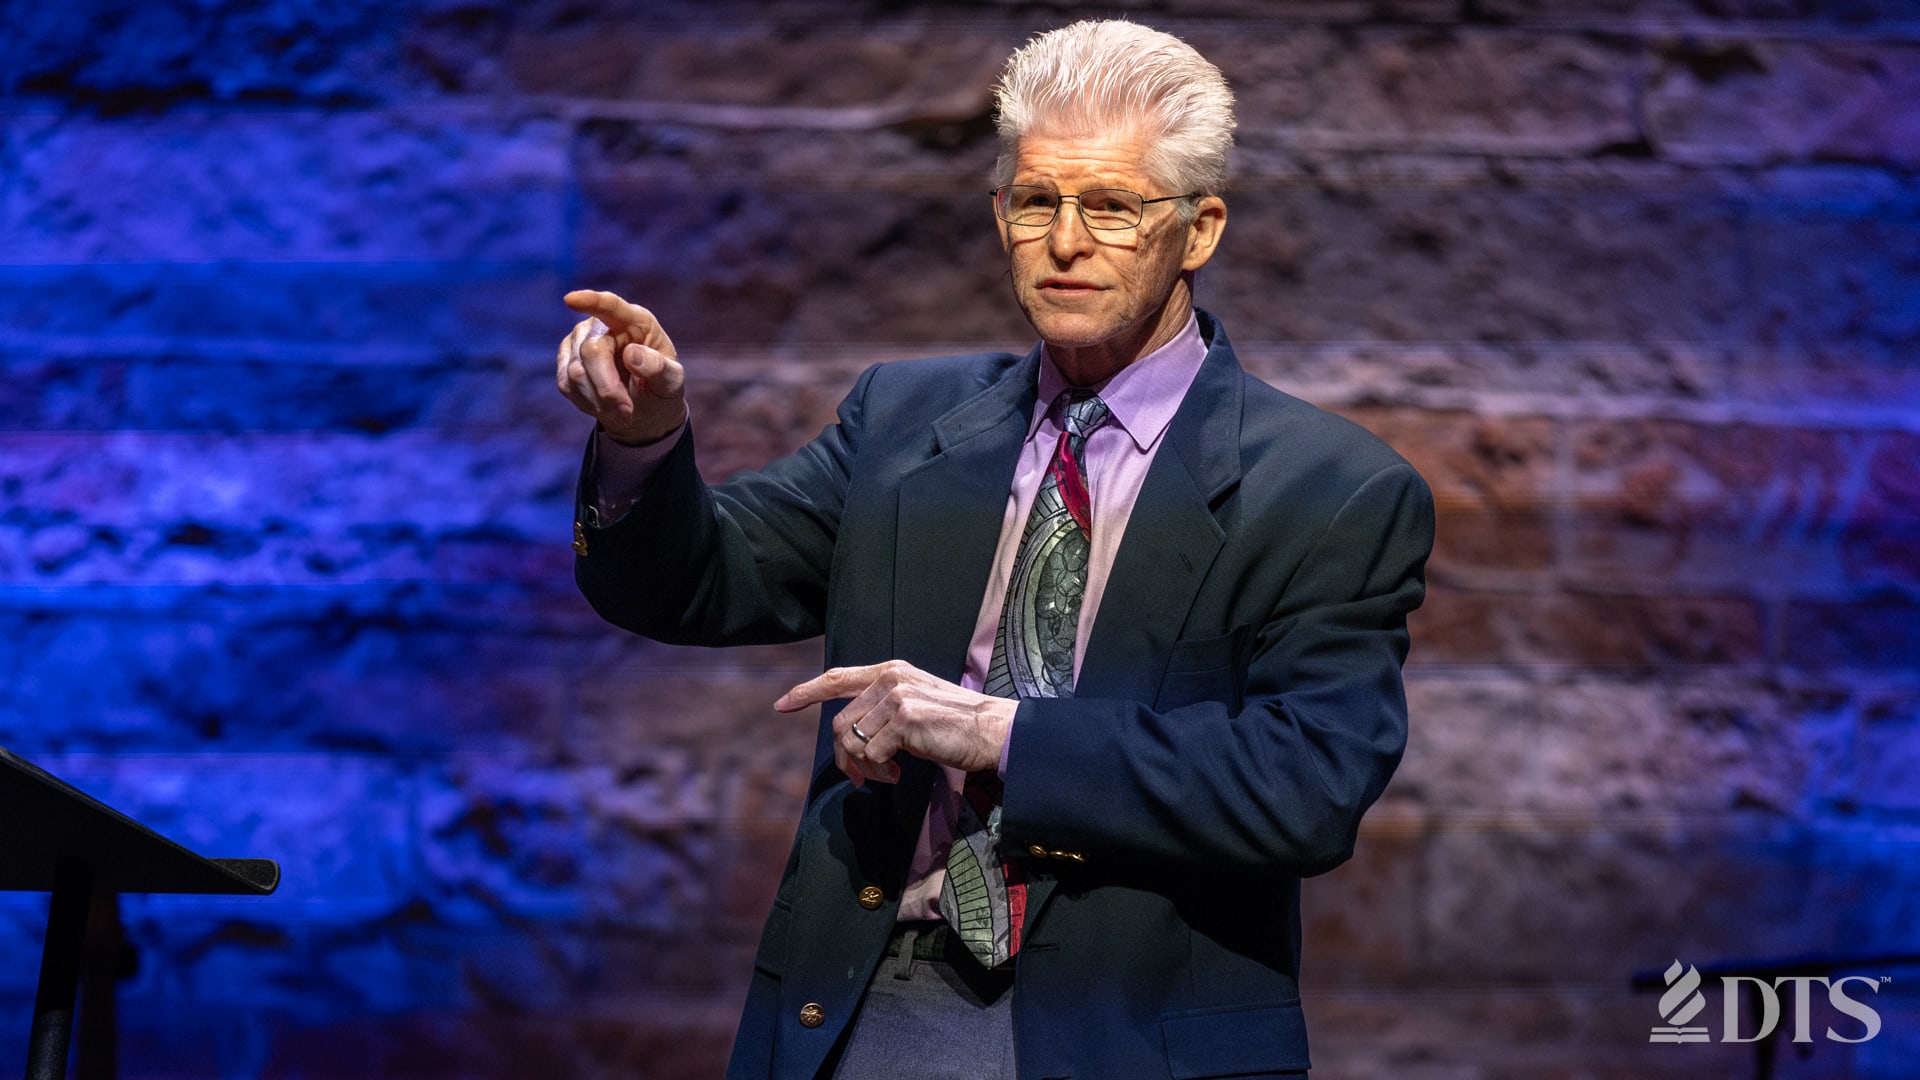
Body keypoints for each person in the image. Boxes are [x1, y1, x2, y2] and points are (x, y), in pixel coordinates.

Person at [554, 19, 1432, 1080]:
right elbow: (693, 582)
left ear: (1198, 230)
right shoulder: (903, 421)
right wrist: (644, 443)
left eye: (1112, 207)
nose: (1066, 242)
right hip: (869, 1005)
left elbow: (1306, 786)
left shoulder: (1327, 489)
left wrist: (1000, 734)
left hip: (1130, 1034)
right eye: (1035, 201)